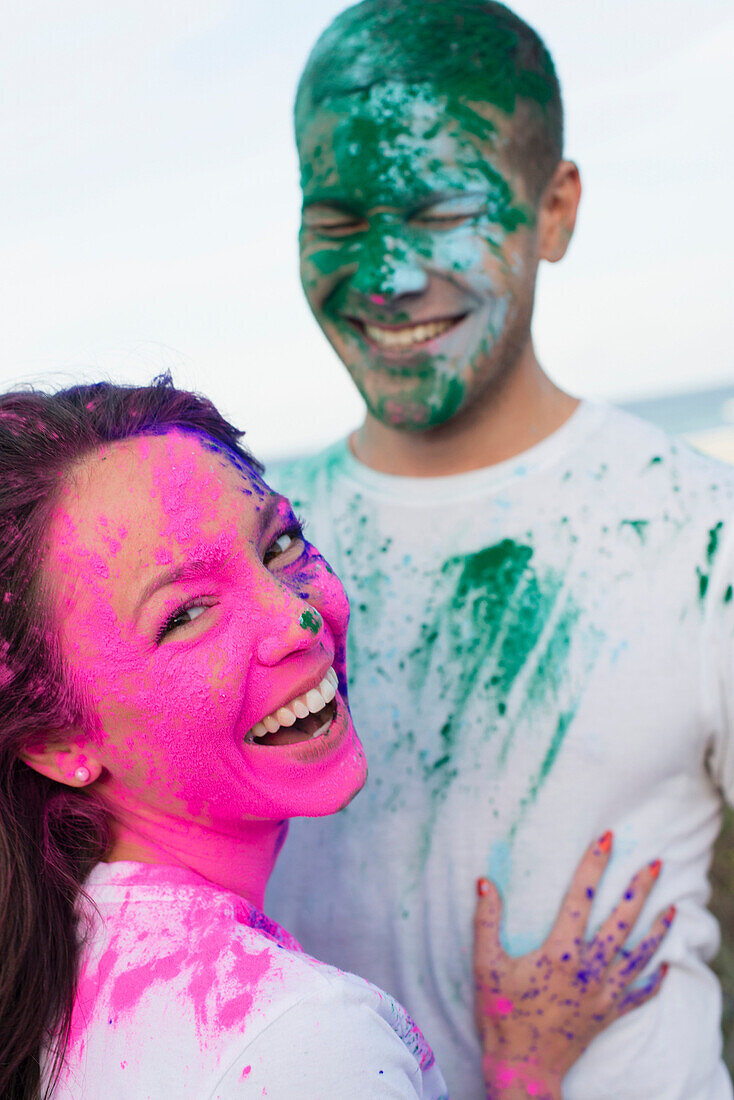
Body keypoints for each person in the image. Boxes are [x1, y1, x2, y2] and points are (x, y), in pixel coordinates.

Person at [264, 2, 734, 1098]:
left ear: (552, 209)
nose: (383, 276)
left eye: (436, 211)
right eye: (336, 219)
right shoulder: (257, 556)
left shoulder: (700, 535)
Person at [0, 377, 670, 1100]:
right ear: (53, 740)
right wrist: (526, 1074)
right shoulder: (303, 1039)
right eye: (187, 613)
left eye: (280, 543)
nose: (299, 618)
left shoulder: (50, 969)